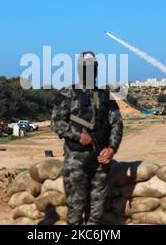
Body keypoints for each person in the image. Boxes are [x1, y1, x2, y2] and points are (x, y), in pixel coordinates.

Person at [51, 51, 123, 225]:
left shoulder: (105, 95)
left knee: (96, 214)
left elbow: (117, 124)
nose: (89, 71)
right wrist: (77, 135)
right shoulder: (67, 93)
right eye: (85, 68)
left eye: (92, 68)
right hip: (76, 161)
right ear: (78, 69)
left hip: (100, 160)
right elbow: (55, 122)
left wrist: (111, 149)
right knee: (75, 213)